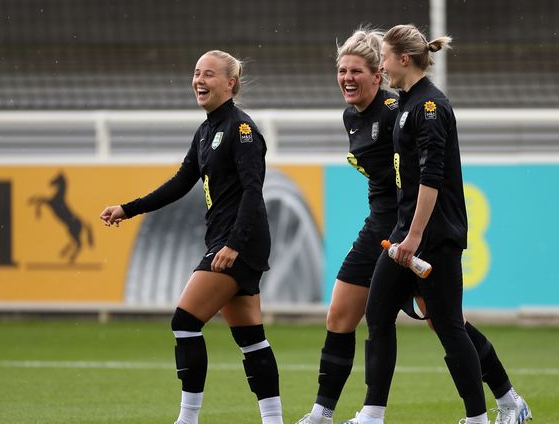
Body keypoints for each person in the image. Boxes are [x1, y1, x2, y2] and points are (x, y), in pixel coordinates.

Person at [299, 28, 531, 424]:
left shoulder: (401, 107)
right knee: (342, 315)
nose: (347, 79)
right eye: (342, 71)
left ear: (379, 73)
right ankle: (325, 412)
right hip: (382, 227)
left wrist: (417, 232)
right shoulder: (352, 116)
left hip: (412, 228)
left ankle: (506, 400)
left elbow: (428, 170)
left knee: (445, 323)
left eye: (357, 71)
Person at [99, 50, 283, 424]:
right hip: (228, 239)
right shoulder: (207, 130)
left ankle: (187, 419)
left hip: (238, 242)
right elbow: (182, 182)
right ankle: (273, 420)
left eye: (209, 74)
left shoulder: (241, 129)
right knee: (251, 338)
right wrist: (127, 208)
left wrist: (233, 243)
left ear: (230, 84)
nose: (199, 80)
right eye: (196, 74)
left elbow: (253, 190)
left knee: (184, 322)